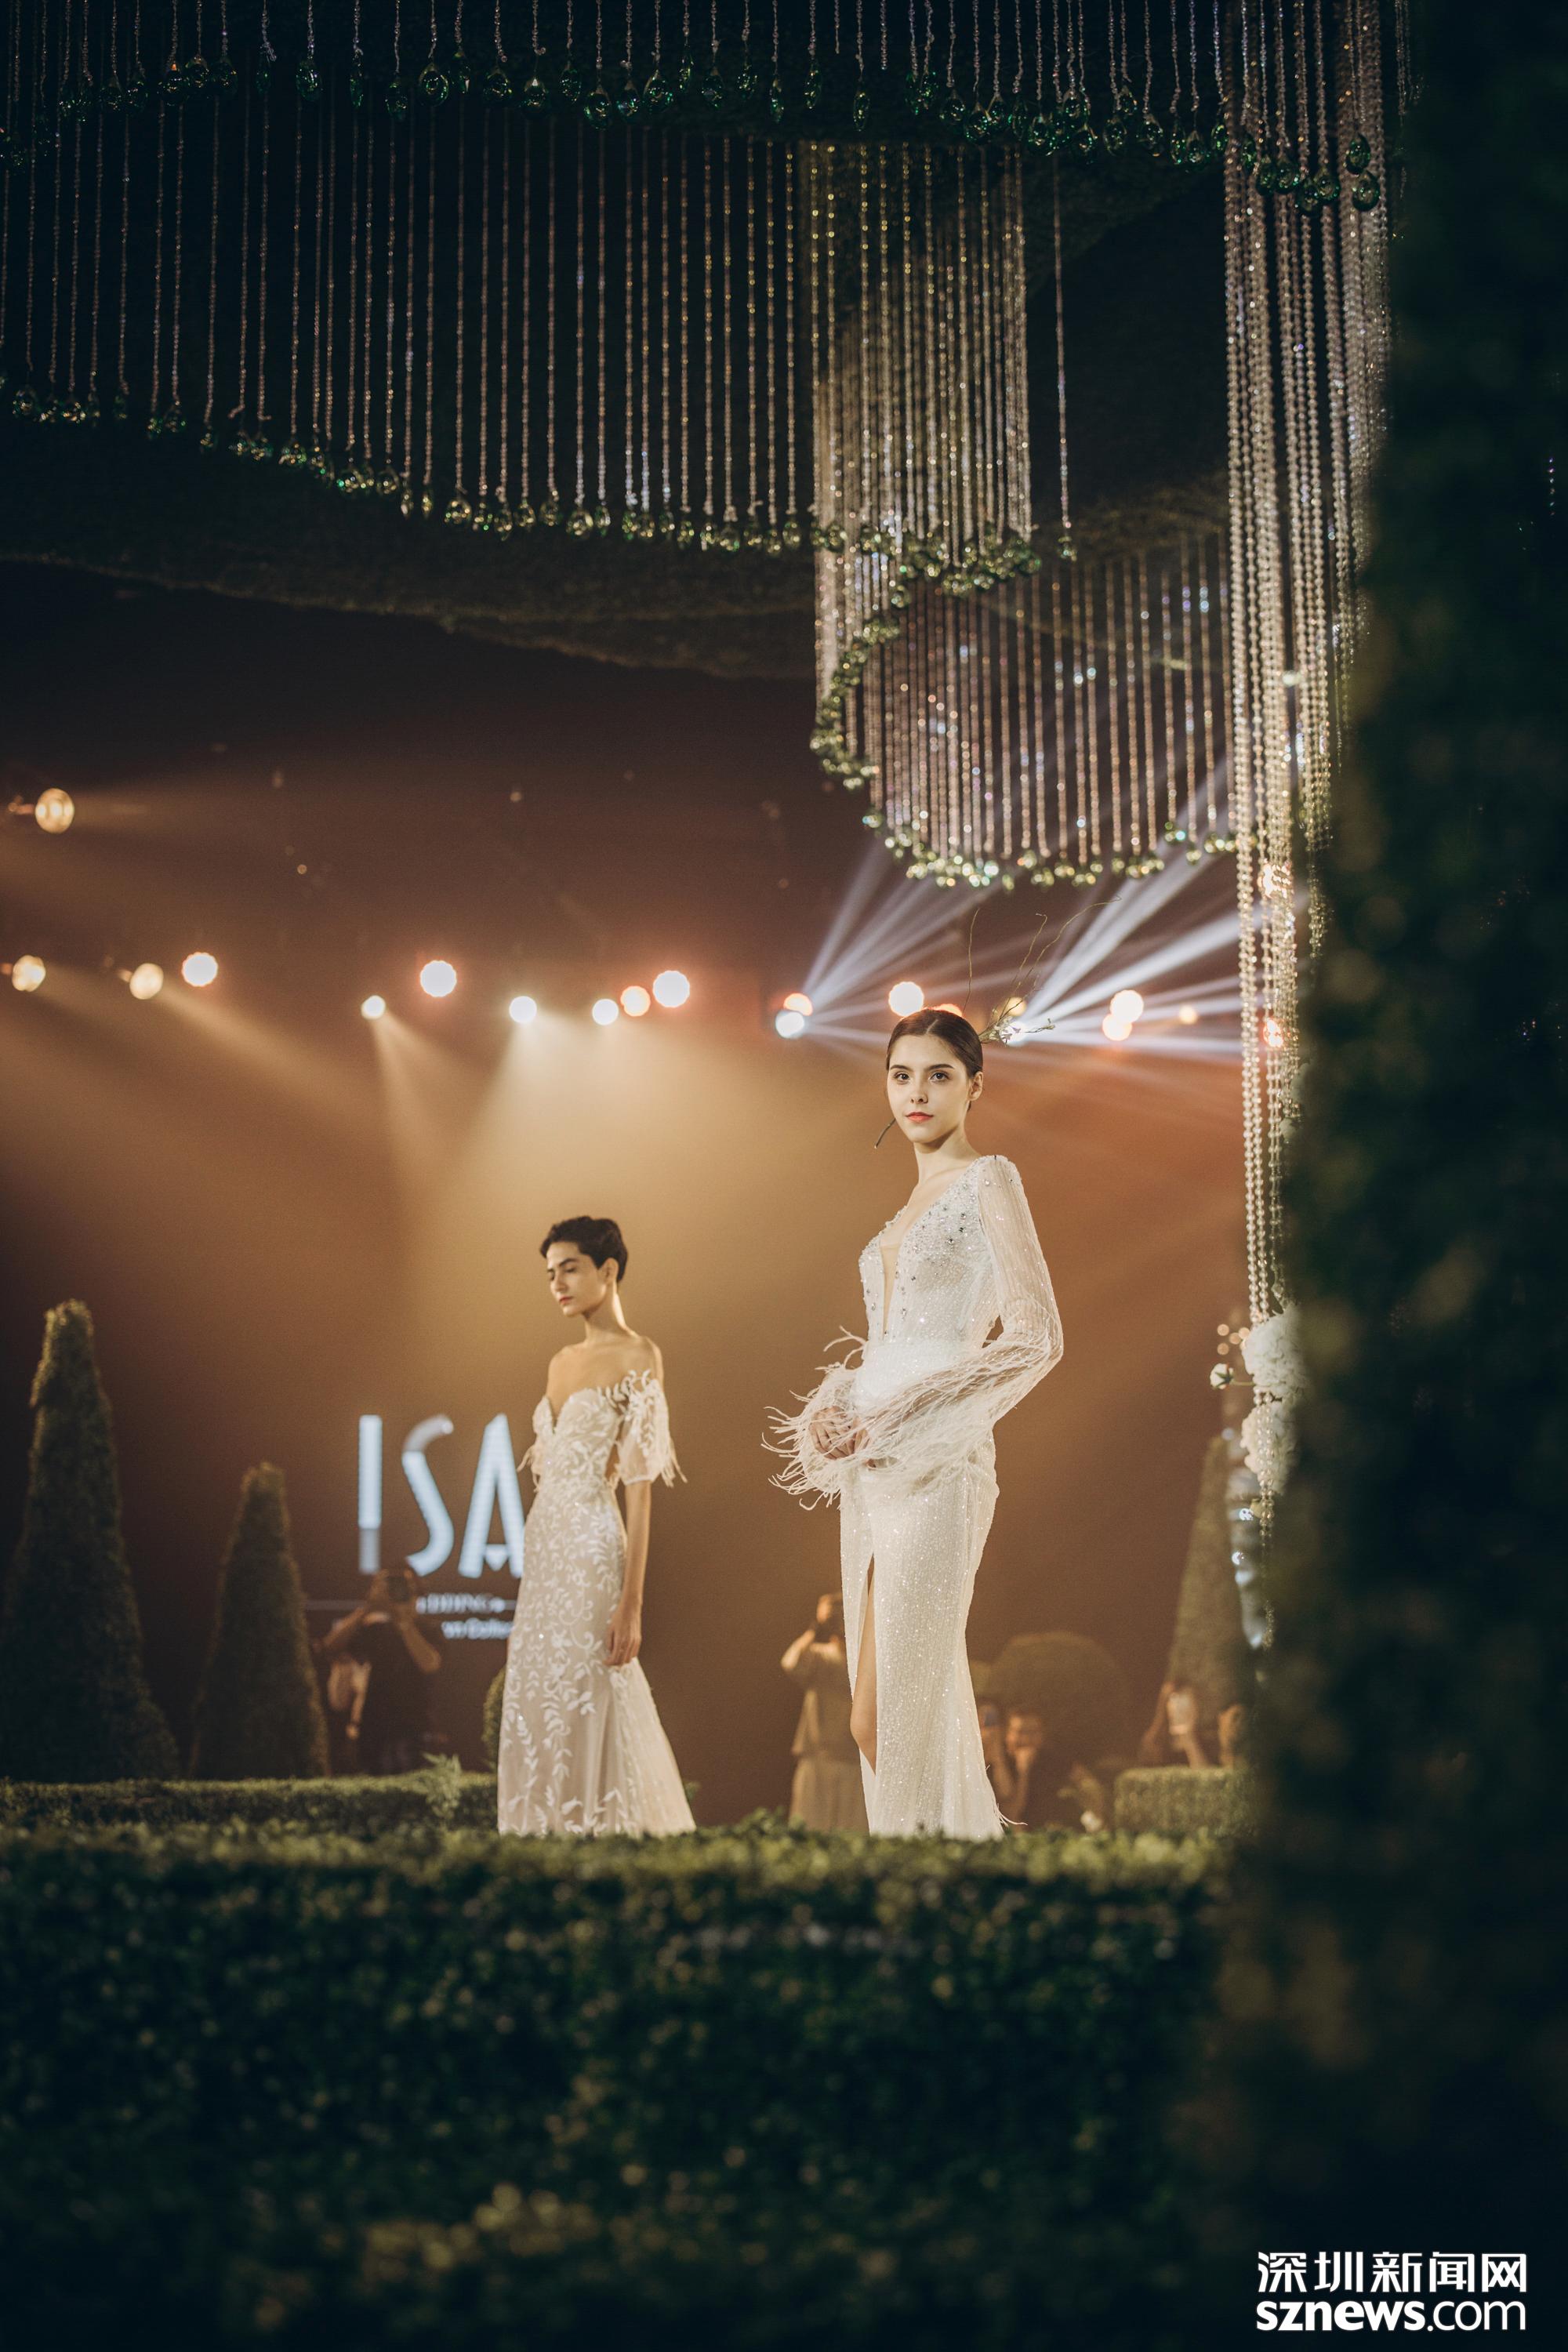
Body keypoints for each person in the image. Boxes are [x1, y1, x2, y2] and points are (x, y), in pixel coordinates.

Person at [772, 1007, 1064, 1838]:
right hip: (874, 1472)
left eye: (939, 1076)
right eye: (901, 1076)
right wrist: (835, 1406)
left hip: (939, 1466)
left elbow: (1038, 1334)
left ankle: (951, 1890)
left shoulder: (989, 1179)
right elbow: (885, 1346)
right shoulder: (904, 1208)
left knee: (897, 1719)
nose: (917, 1093)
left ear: (975, 1087)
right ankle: (963, 1871)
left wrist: (914, 1407)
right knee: (871, 1723)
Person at [496, 1214, 694, 1836]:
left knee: (594, 1684)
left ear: (608, 1271)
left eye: (570, 1269)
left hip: (592, 1547)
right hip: (545, 1551)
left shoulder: (639, 1355)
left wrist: (632, 1602)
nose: (557, 1283)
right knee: (540, 1694)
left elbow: (640, 1488)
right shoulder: (559, 1363)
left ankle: (612, 1839)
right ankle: (545, 1841)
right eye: (550, 1274)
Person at [321, 1565, 443, 1775]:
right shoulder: (372, 1629)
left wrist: (403, 1622)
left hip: (414, 1729)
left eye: (404, 1590)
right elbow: (330, 1647)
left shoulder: (427, 1629)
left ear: (416, 1595)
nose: (397, 1595)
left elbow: (429, 1663)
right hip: (372, 1731)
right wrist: (367, 1608)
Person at [781, 1594, 867, 1830]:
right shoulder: (819, 1655)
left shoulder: (864, 1663)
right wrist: (817, 1626)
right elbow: (791, 1663)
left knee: (852, 1833)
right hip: (817, 1758)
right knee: (809, 1829)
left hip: (853, 1761)